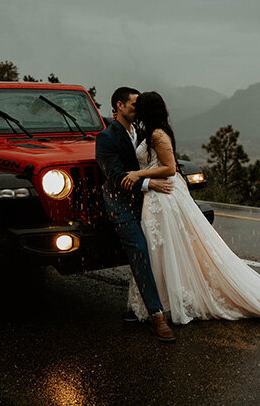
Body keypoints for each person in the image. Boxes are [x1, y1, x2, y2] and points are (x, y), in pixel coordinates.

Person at [120, 91, 260, 326]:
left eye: (140, 106)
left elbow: (169, 168)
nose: (136, 109)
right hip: (156, 196)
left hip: (165, 196)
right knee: (161, 249)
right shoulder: (150, 132)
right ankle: (160, 301)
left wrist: (139, 173)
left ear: (148, 110)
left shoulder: (158, 134)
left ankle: (165, 302)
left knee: (164, 247)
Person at [95, 87, 177, 342]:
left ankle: (136, 306)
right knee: (140, 250)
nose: (137, 108)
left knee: (156, 249)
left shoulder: (143, 132)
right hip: (120, 205)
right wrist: (150, 184)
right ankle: (156, 316)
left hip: (146, 203)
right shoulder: (106, 138)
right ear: (119, 106)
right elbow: (116, 175)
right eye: (133, 104)